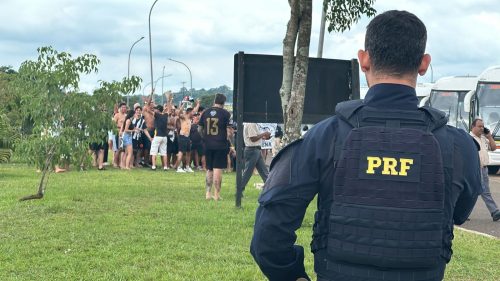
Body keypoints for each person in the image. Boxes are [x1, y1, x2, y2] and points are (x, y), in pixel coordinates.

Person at [251, 10, 481, 281]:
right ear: (423, 63)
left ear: (364, 59)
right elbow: (460, 214)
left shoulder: (325, 137)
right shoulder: (458, 146)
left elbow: (268, 236)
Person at [199, 93, 233, 200]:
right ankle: (217, 195)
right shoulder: (226, 114)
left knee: (209, 169)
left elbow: (199, 129)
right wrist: (229, 141)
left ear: (214, 100)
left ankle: (208, 194)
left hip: (208, 144)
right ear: (223, 102)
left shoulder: (205, 112)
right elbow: (229, 132)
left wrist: (205, 137)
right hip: (220, 144)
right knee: (217, 169)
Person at [470, 118, 500, 221]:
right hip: (474, 169)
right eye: (479, 126)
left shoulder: (483, 138)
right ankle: (495, 211)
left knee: (479, 192)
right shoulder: (469, 138)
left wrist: (489, 136)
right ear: (473, 127)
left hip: (484, 169)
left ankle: (494, 212)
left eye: (483, 126)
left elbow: (493, 148)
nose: (482, 128)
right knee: (479, 191)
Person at [240, 123, 271, 195]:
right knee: (248, 172)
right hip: (252, 150)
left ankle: (270, 188)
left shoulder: (253, 124)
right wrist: (264, 133)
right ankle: (239, 189)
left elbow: (254, 137)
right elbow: (253, 138)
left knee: (264, 171)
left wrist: (263, 136)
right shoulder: (251, 123)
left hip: (255, 150)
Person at [174, 100, 200, 173]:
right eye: (192, 112)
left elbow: (195, 110)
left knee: (189, 152)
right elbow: (178, 113)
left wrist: (198, 104)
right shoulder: (184, 117)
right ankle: (178, 167)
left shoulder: (190, 119)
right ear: (189, 112)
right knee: (181, 152)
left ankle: (187, 167)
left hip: (187, 137)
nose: (194, 114)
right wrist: (183, 104)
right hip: (182, 137)